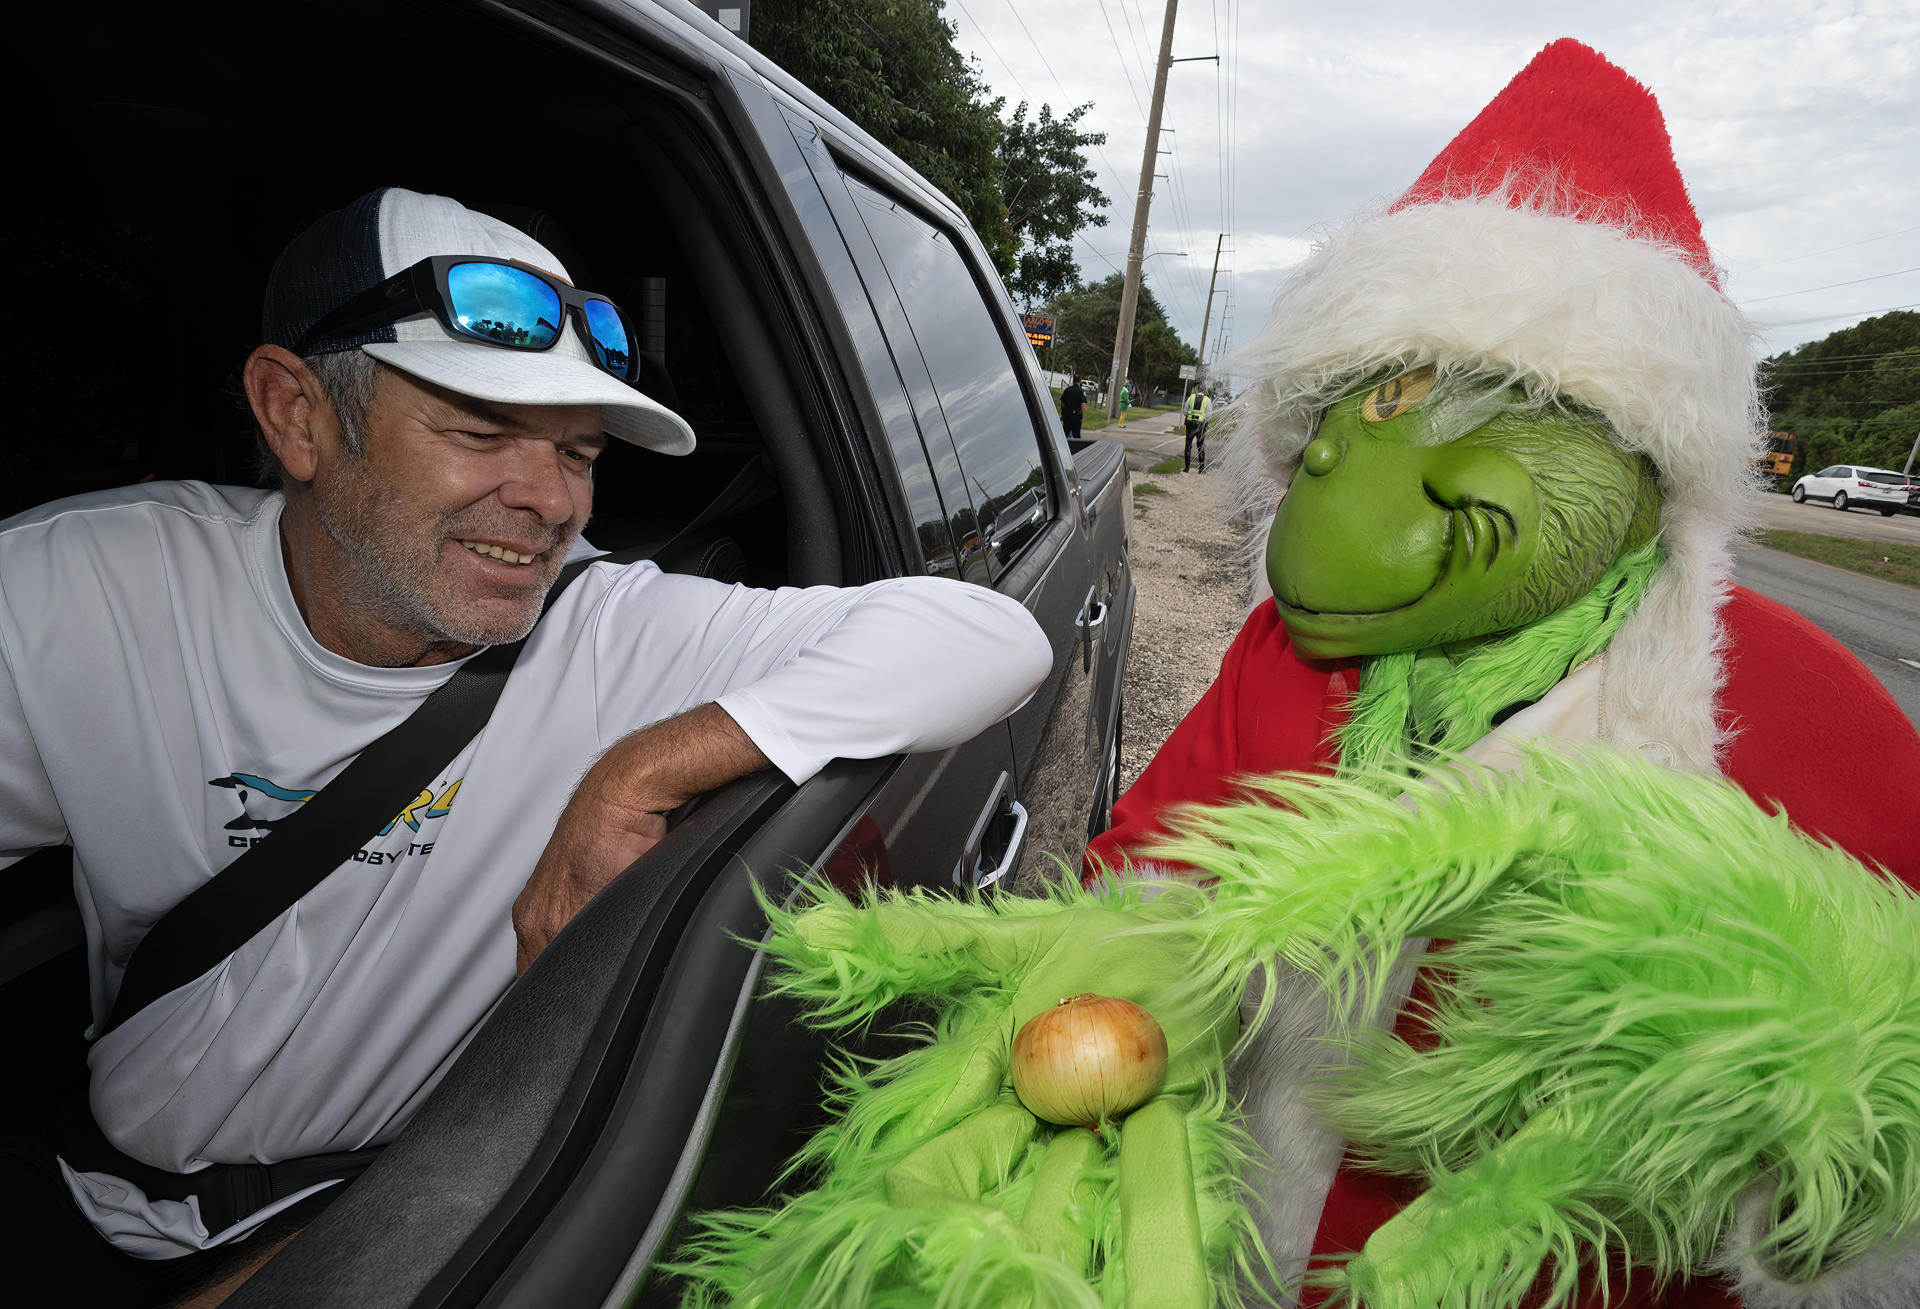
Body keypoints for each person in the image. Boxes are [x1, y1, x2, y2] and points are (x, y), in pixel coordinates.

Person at [0, 187, 1053, 1304]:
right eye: (481, 430)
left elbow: (985, 631)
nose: (550, 499)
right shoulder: (78, 594)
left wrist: (637, 770)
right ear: (298, 414)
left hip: (391, 1220)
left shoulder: (607, 627)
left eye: (581, 450)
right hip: (86, 1188)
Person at [1084, 40, 1920, 1305]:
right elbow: (1144, 871)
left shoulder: (1804, 707)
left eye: (1486, 401)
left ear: (1637, 452)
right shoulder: (1287, 660)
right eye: (1352, 413)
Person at [1181, 386, 1210, 472]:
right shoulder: (1207, 400)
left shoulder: (1191, 398)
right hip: (1201, 426)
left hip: (1190, 425)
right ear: (1205, 391)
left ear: (1198, 390)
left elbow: (1185, 410)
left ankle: (1186, 468)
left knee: (1188, 446)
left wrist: (1190, 417)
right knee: (1200, 446)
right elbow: (1208, 414)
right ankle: (1201, 469)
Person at [1058, 376, 1086, 440]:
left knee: (1065, 433)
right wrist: (1083, 417)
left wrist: (1063, 413)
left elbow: (1062, 402)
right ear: (1080, 381)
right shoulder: (1081, 391)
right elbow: (1083, 404)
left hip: (1067, 415)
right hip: (1076, 416)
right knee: (1076, 435)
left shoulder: (1067, 390)